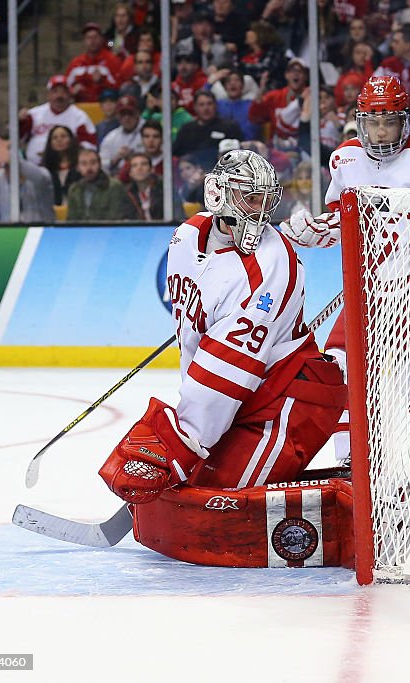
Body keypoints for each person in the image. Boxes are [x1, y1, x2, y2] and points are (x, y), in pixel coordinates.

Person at [98, 149, 347, 564]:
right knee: (184, 483)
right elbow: (195, 340)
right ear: (219, 195)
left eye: (267, 199)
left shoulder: (272, 264)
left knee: (209, 501)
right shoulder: (186, 237)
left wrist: (185, 440)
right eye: (251, 198)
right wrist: (188, 439)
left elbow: (225, 371)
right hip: (240, 394)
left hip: (287, 400)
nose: (262, 210)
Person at [280, 74, 410, 471]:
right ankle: (354, 461)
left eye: (389, 121)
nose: (380, 131)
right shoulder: (345, 159)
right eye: (372, 122)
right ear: (359, 121)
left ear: (406, 121)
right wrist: (316, 233)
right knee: (341, 366)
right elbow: (345, 220)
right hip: (370, 283)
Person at [19, 76, 97, 165]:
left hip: (67, 167)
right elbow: (18, 137)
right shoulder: (34, 114)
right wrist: (20, 122)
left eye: (63, 92)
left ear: (69, 95)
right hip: (35, 166)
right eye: (55, 91)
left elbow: (89, 146)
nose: (59, 96)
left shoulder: (80, 117)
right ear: (48, 94)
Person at [66, 148, 134, 221]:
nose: (89, 168)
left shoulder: (114, 186)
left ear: (100, 165)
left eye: (93, 163)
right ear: (78, 168)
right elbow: (71, 220)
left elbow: (116, 218)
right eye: (84, 164)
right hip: (81, 231)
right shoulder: (74, 190)